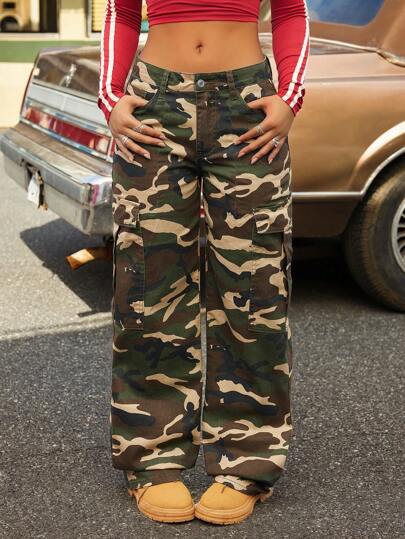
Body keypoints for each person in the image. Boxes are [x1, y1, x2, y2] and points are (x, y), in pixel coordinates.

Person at [98, 0, 309, 526]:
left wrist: (291, 97)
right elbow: (122, 10)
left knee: (254, 289)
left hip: (247, 108)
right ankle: (152, 458)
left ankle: (247, 462)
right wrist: (111, 97)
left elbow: (291, 10)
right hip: (154, 107)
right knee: (147, 288)